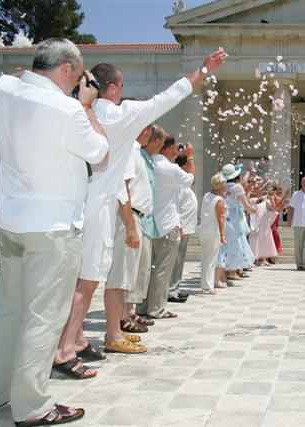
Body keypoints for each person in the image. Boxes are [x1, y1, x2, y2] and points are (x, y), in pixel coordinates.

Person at [55, 48, 227, 370]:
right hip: (101, 206)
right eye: (121, 86)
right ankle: (64, 349)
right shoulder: (122, 115)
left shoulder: (77, 111)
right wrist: (204, 68)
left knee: (82, 279)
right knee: (88, 281)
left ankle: (77, 339)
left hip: (73, 203)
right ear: (114, 88)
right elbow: (171, 95)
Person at [0, 38, 108, 426]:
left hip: (10, 222)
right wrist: (86, 105)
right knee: (43, 317)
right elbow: (100, 154)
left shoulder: (3, 90)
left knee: (7, 312)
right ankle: (33, 406)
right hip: (52, 229)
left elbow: (13, 78)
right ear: (68, 69)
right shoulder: (68, 109)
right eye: (79, 74)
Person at [139, 136, 194, 320]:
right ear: (167, 148)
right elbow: (189, 179)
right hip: (168, 224)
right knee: (163, 269)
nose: (177, 151)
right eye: (175, 148)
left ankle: (143, 305)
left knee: (150, 268)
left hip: (150, 224)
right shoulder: (170, 168)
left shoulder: (148, 163)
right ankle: (157, 308)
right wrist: (190, 157)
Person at [121, 125, 165, 332]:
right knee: (129, 270)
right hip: (133, 215)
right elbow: (125, 187)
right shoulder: (131, 150)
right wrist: (130, 225)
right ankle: (123, 316)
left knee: (140, 269)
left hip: (142, 217)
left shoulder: (140, 153)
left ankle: (130, 312)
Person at [169, 151, 198, 303]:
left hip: (186, 227)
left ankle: (175, 288)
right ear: (185, 165)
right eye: (190, 163)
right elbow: (176, 206)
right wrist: (179, 224)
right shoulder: (179, 183)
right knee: (175, 260)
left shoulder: (182, 183)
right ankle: (171, 290)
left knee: (179, 261)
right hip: (181, 227)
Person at [220, 163, 257, 280]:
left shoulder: (222, 186)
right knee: (236, 244)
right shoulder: (237, 187)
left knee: (227, 245)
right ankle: (232, 271)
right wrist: (253, 210)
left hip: (225, 216)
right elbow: (246, 204)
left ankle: (226, 270)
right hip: (235, 219)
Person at [198, 173, 228, 294]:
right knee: (211, 259)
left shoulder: (207, 195)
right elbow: (220, 219)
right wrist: (222, 235)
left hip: (204, 229)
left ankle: (205, 283)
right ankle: (208, 286)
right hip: (213, 231)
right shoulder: (219, 200)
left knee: (206, 258)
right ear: (221, 186)